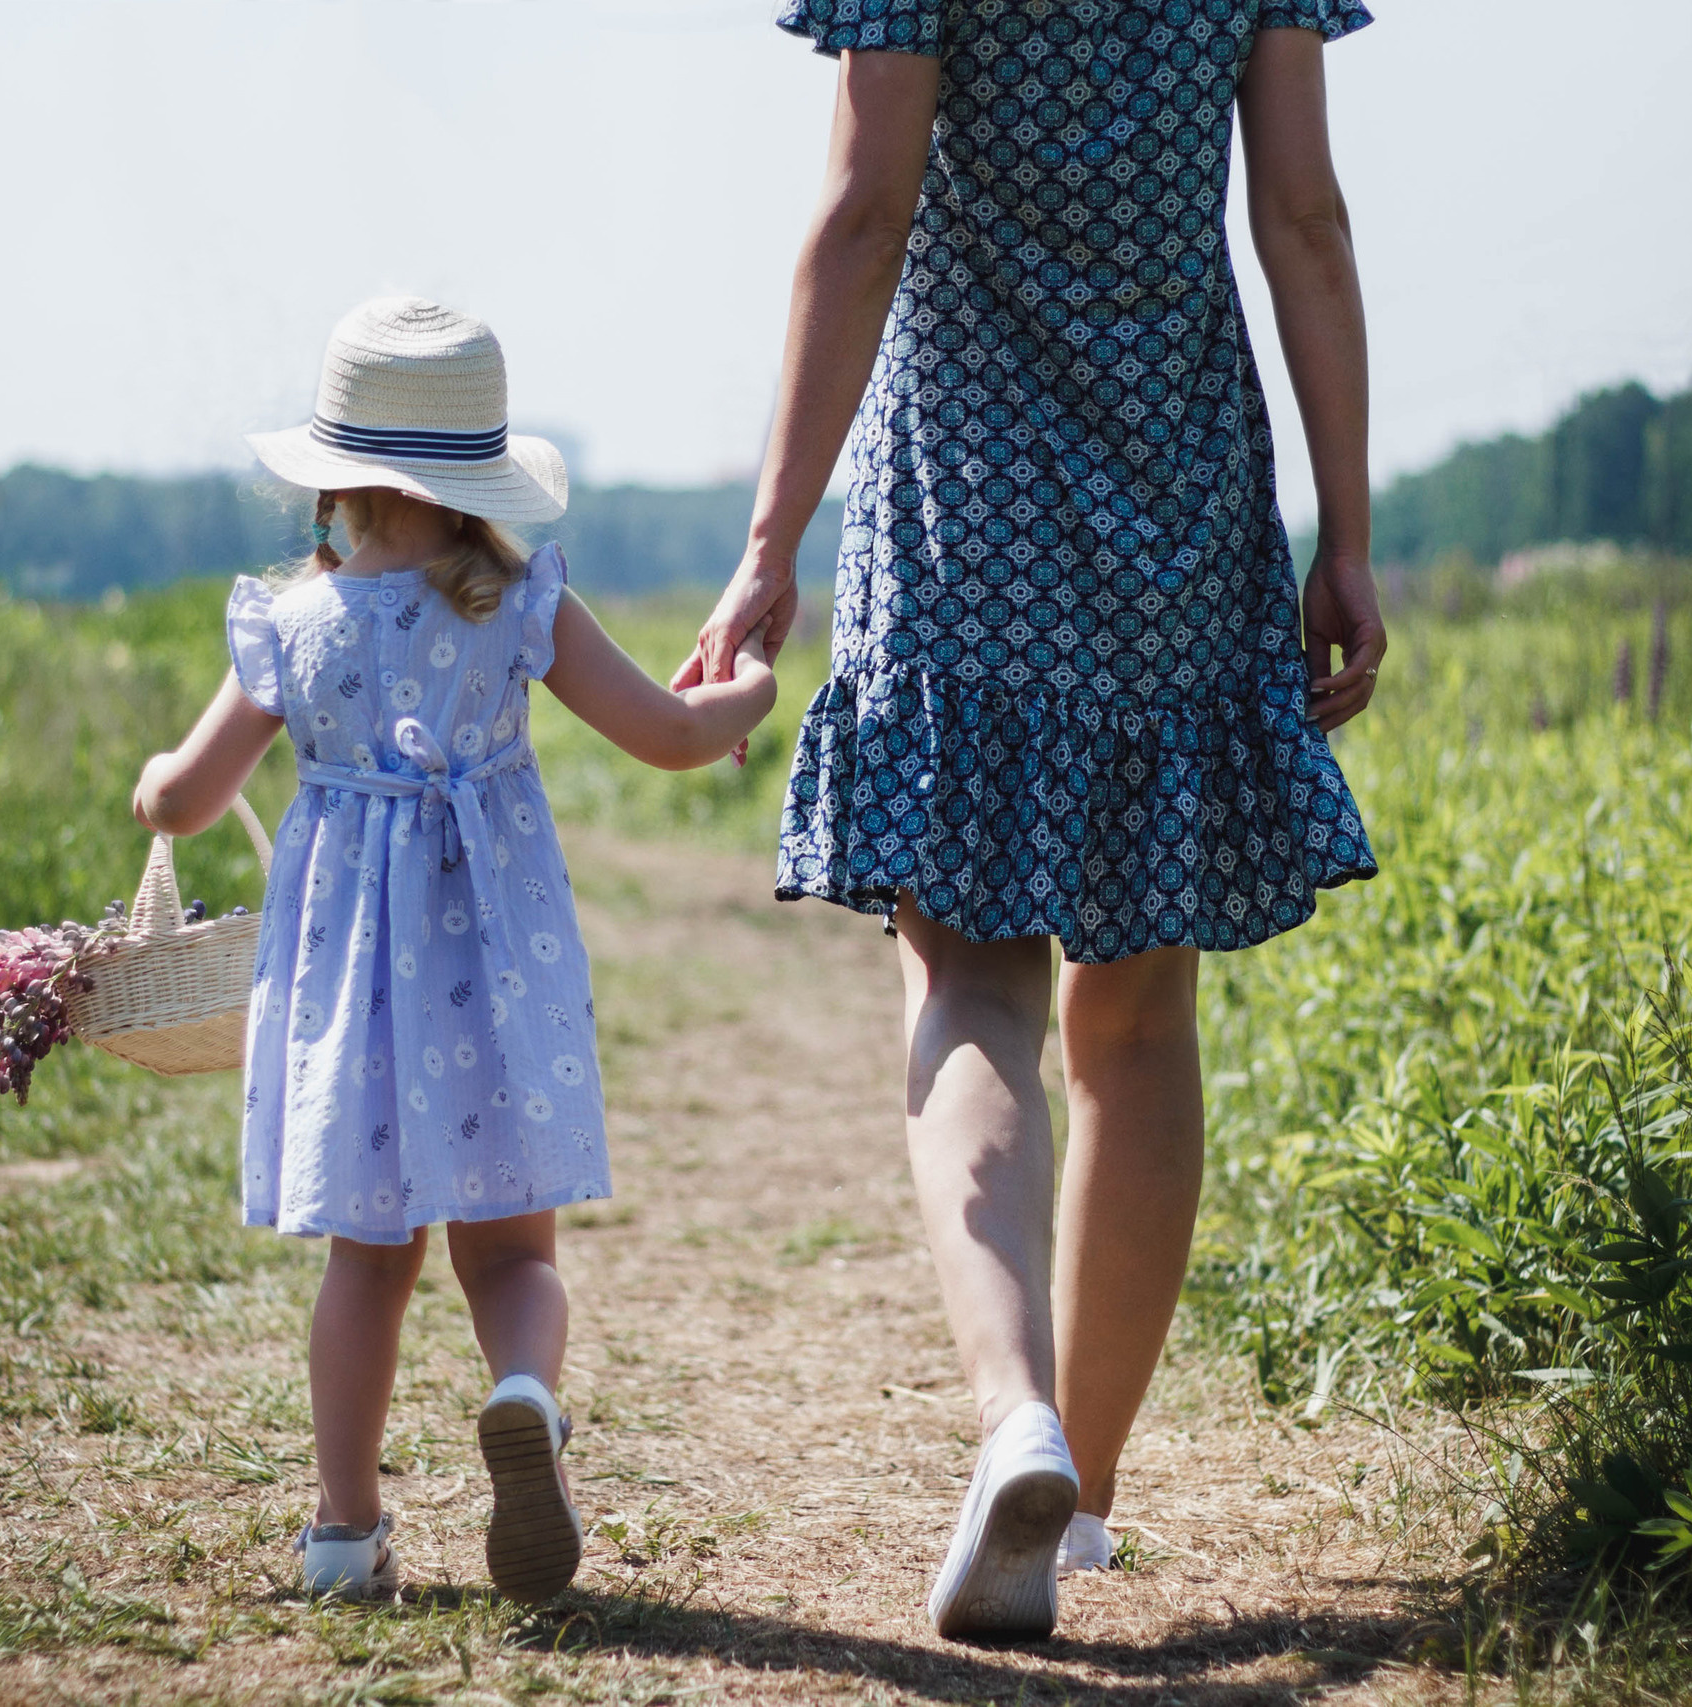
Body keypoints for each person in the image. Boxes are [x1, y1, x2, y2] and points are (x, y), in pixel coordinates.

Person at [678, 0, 1385, 1641]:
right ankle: (1087, 1508)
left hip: (968, 500)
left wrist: (774, 538)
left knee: (969, 980)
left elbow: (867, 211)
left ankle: (1021, 1423)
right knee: (1135, 1018)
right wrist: (1344, 529)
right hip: (1181, 490)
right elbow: (1304, 217)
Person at [134, 297, 777, 1605]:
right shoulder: (520, 605)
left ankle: (343, 1533)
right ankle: (526, 1397)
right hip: (496, 985)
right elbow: (666, 731)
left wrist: (152, 787)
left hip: (355, 1006)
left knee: (366, 1266)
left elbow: (186, 801)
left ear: (335, 484)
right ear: (476, 483)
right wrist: (753, 689)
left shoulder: (293, 627)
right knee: (517, 1258)